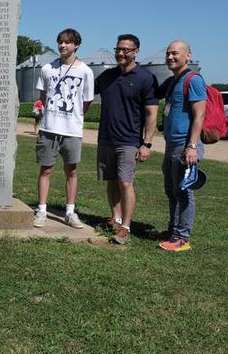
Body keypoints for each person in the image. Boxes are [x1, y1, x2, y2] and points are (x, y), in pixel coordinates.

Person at [94, 34, 159, 244]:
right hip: (106, 138)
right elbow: (83, 92)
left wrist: (146, 143)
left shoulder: (145, 77)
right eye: (118, 49)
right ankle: (116, 217)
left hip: (129, 141)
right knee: (111, 181)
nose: (121, 53)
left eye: (126, 50)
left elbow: (151, 113)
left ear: (136, 52)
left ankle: (126, 226)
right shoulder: (106, 77)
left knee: (125, 182)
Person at [33, 28, 95, 229]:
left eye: (68, 42)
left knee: (71, 171)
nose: (63, 45)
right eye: (60, 41)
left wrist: (74, 117)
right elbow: (42, 98)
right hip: (49, 128)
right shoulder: (47, 69)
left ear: (76, 45)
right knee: (46, 170)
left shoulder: (85, 71)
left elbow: (86, 101)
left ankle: (70, 212)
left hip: (72, 130)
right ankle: (41, 210)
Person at [158, 40, 207, 252]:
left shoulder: (193, 80)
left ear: (188, 55)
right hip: (172, 144)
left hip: (186, 146)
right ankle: (173, 230)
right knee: (171, 190)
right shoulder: (173, 81)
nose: (170, 57)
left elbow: (199, 115)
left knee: (184, 192)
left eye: (175, 54)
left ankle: (182, 238)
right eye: (168, 54)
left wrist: (192, 146)